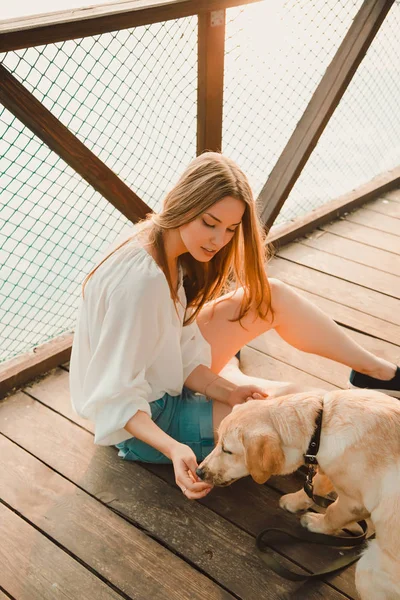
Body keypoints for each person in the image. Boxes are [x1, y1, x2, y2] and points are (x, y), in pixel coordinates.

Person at [70, 152, 400, 501]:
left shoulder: (159, 243)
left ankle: (376, 373)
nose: (218, 240)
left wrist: (226, 391)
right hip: (145, 425)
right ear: (183, 203)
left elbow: (176, 352)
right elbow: (115, 399)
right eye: (210, 223)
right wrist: (173, 449)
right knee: (290, 411)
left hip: (161, 385)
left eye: (229, 229)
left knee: (274, 316)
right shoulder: (141, 283)